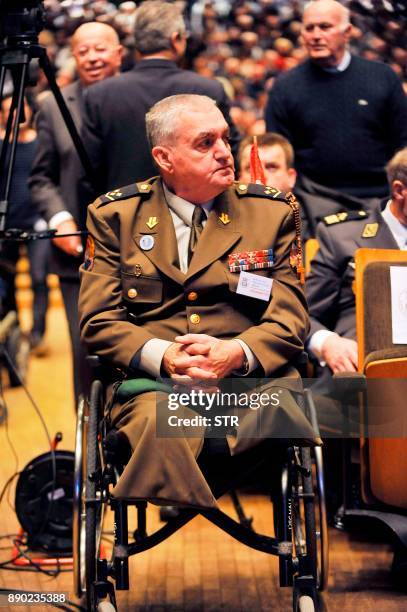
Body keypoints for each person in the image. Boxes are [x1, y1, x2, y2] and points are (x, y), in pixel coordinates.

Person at [78, 94, 313, 508]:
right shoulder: (115, 216)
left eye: (224, 138)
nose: (224, 152)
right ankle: (193, 489)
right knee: (155, 423)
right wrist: (166, 356)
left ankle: (177, 482)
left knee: (305, 404)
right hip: (157, 389)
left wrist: (236, 353)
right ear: (164, 158)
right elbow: (98, 320)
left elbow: (290, 317)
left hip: (250, 386)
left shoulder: (271, 212)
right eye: (205, 143)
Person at [29, 22, 123, 404]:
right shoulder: (52, 105)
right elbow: (41, 179)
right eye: (83, 51)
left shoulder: (138, 100)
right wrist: (61, 221)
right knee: (87, 355)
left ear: (119, 53)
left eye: (100, 48)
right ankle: (92, 456)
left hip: (144, 253)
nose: (92, 57)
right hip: (77, 259)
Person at [265, 0, 407, 235]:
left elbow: (403, 143)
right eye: (309, 28)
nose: (316, 35)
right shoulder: (285, 87)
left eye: (325, 27)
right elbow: (280, 154)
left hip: (380, 199)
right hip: (313, 204)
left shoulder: (382, 78)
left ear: (347, 31)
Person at [80, 0, 241, 198]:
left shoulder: (98, 95)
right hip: (201, 218)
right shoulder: (209, 89)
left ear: (136, 43)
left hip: (123, 218)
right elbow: (232, 158)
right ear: (176, 39)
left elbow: (88, 170)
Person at [306, 146, 407, 375]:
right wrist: (328, 343)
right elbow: (303, 316)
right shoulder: (342, 237)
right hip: (362, 369)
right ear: (399, 190)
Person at [0, 95, 50, 356]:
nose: (15, 114)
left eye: (20, 108)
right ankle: (14, 332)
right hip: (6, 224)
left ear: (30, 111)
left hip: (38, 222)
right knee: (5, 282)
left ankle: (37, 335)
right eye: (9, 110)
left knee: (39, 278)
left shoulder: (41, 142)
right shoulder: (0, 144)